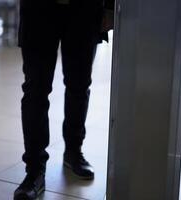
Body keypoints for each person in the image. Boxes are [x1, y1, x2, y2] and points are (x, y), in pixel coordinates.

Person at [14, 0, 115, 199]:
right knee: (36, 90)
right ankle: (34, 170)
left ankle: (73, 151)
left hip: (84, 9)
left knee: (79, 85)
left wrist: (110, 6)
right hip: (38, 10)